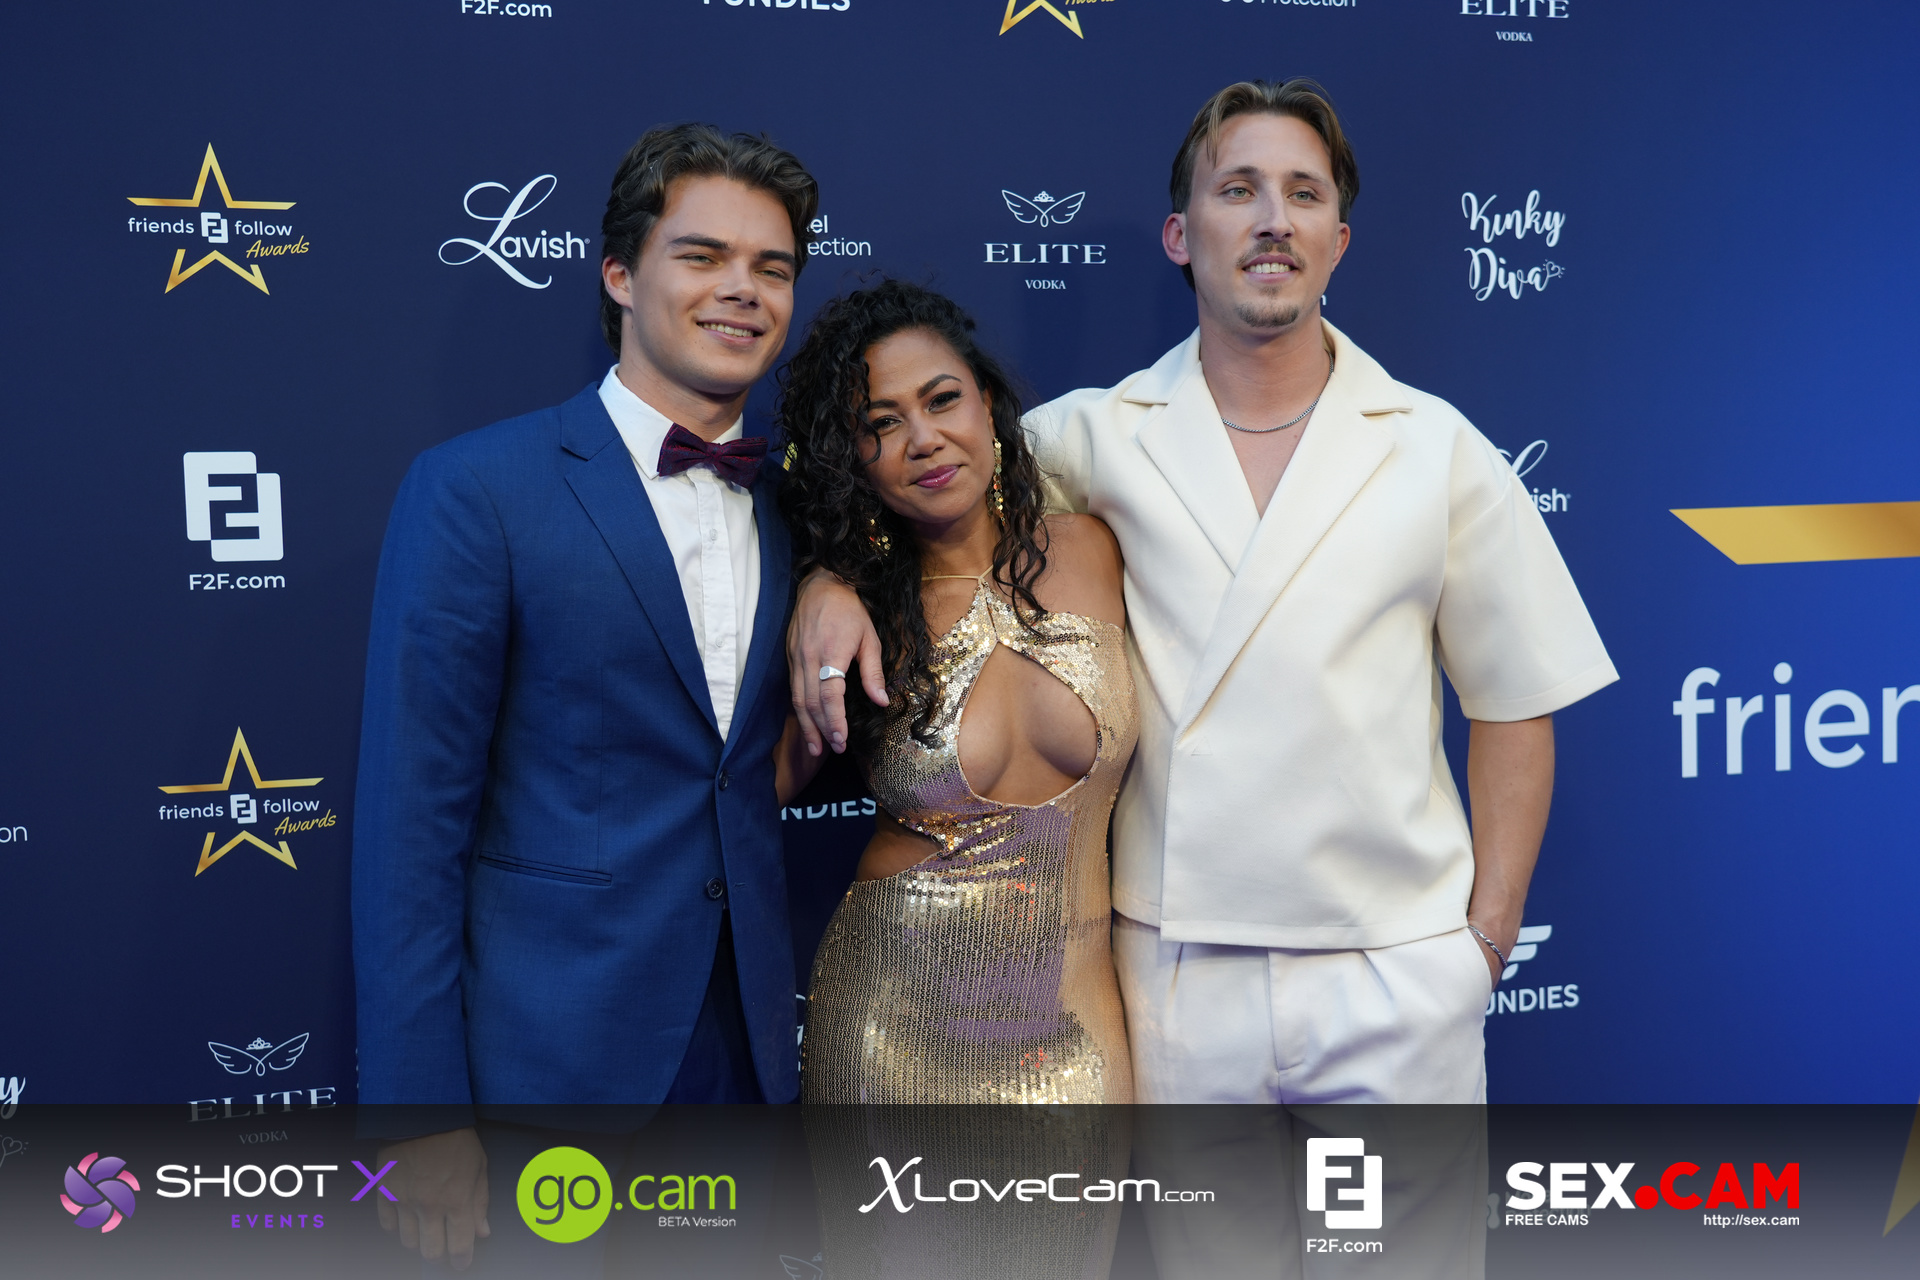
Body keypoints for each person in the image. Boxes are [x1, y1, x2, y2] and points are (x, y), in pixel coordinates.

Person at [792, 78, 1616, 1105]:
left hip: (1394, 968)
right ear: (1181, 235)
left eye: (1304, 193)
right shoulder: (1084, 438)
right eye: (1239, 189)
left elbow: (1515, 701)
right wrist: (827, 578)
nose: (1274, 219)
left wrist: (1484, 941)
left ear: (1339, 241)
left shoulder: (1438, 447)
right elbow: (917, 495)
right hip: (1174, 976)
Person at [351, 123, 816, 1269]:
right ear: (618, 273)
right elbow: (410, 825)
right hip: (545, 1075)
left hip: (747, 1066)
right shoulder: (478, 489)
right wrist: (417, 1107)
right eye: (702, 256)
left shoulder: (803, 507)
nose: (742, 289)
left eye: (771, 267)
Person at [774, 281, 1135, 1276]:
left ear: (988, 404)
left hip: (1074, 1031)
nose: (923, 439)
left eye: (941, 400)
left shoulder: (1100, 548)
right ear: (853, 459)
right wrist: (818, 585)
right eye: (880, 424)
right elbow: (755, 790)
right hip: (892, 1029)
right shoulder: (857, 609)